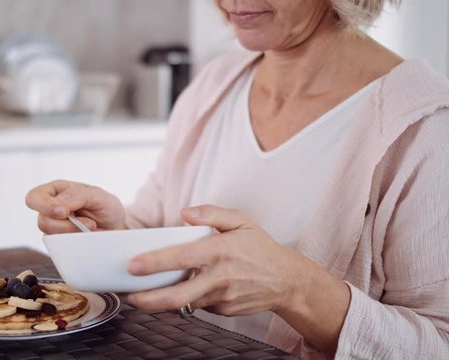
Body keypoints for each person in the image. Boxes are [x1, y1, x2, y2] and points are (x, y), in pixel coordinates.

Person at [25, 0, 449, 358]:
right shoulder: (215, 85)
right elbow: (161, 234)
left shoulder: (426, 127)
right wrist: (113, 232)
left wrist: (295, 290)